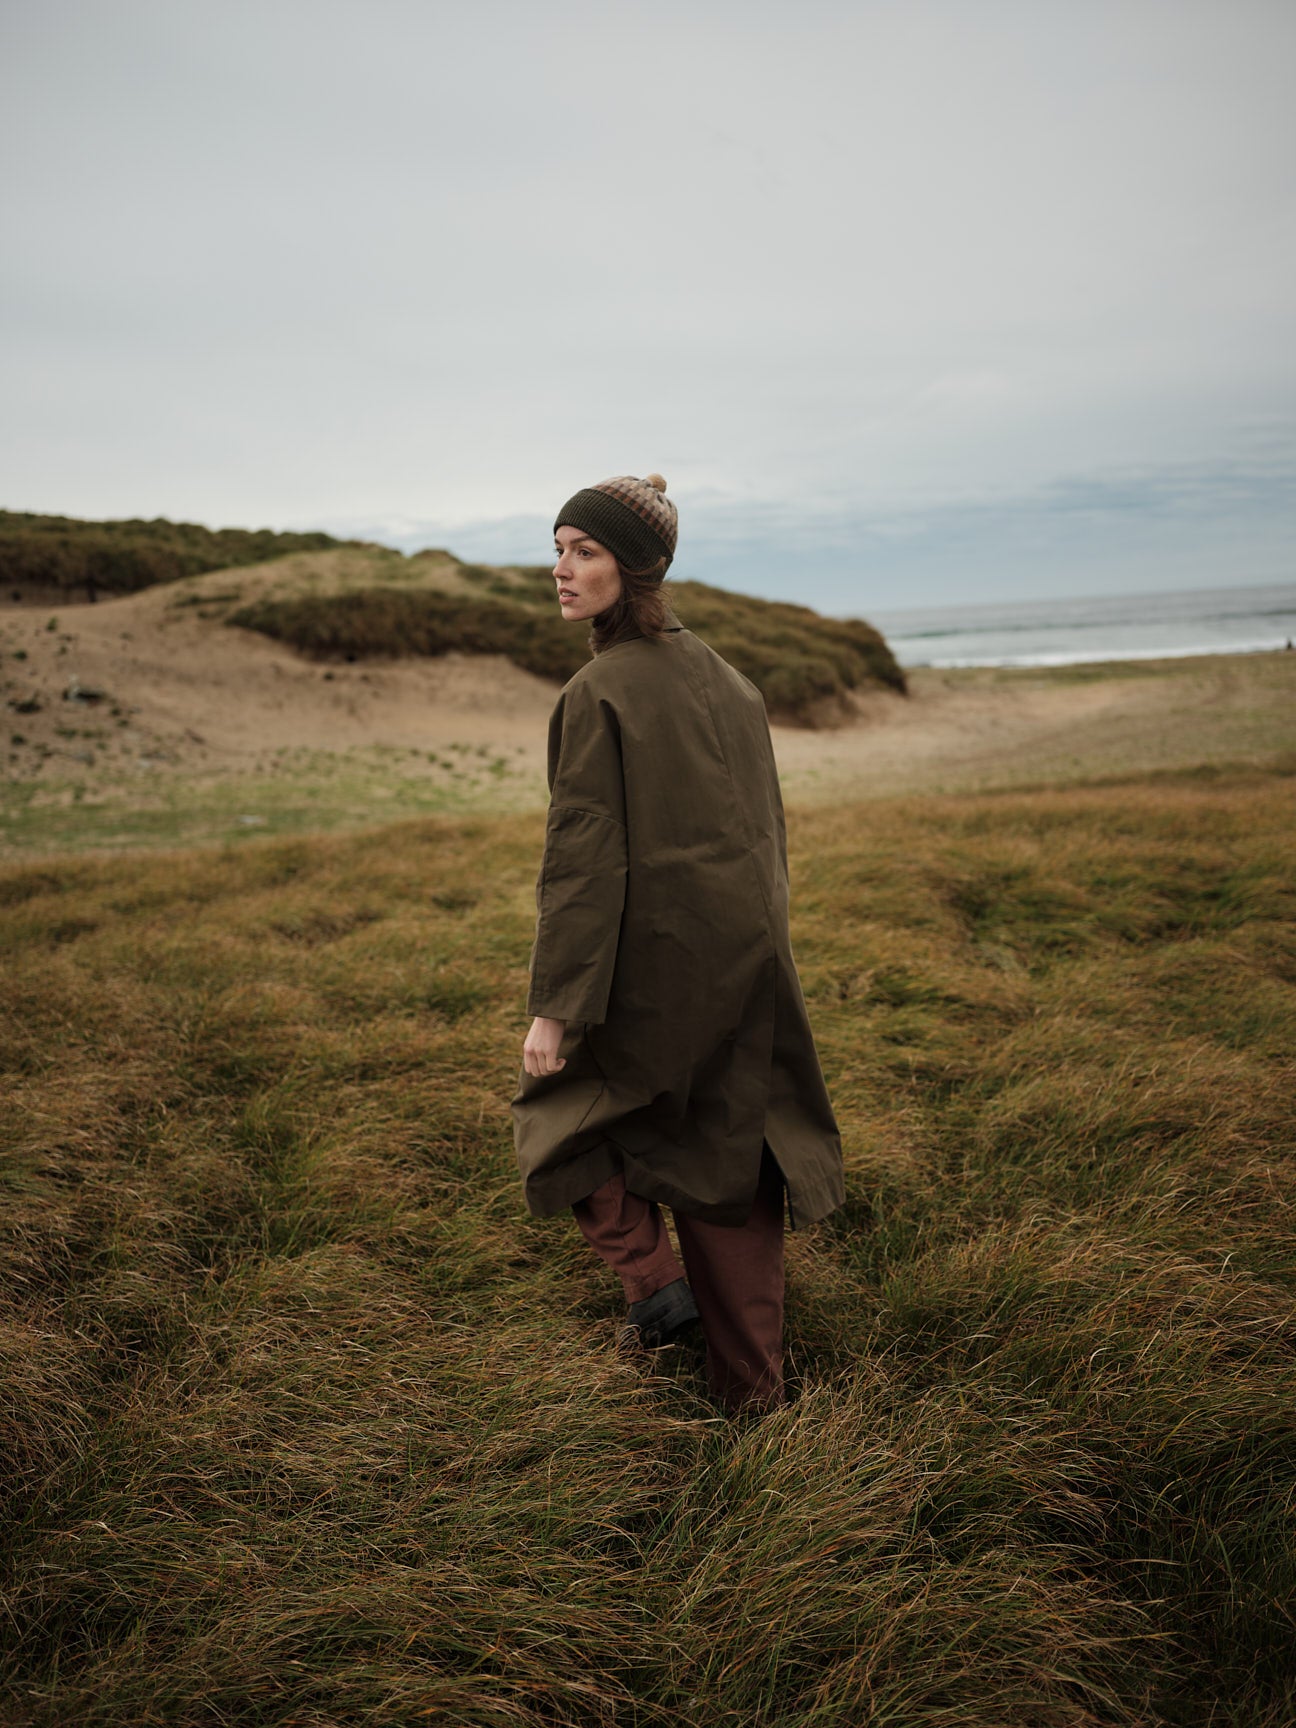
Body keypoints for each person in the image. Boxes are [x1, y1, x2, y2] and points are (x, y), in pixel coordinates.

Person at [511, 472, 844, 1413]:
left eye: (586, 551)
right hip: (749, 968)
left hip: (650, 974)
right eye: (559, 548)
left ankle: (656, 1287)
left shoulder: (599, 692)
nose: (562, 570)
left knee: (560, 1109)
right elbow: (767, 836)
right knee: (728, 1167)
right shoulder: (732, 681)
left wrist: (557, 1009)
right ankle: (753, 1400)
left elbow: (584, 861)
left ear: (637, 566)